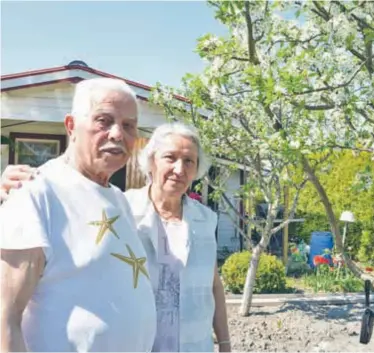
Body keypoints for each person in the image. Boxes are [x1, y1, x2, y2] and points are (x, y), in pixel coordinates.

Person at [1, 123, 231, 352]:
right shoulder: (121, 208)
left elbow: (214, 286)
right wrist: (27, 184)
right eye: (170, 157)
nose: (179, 169)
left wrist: (224, 343)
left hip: (194, 346)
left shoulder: (205, 219)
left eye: (189, 161)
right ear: (151, 162)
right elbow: (72, 200)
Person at [0, 78, 157, 352]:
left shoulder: (119, 198)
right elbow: (4, 318)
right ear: (71, 126)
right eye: (103, 121)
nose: (118, 134)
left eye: (128, 125)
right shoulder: (36, 193)